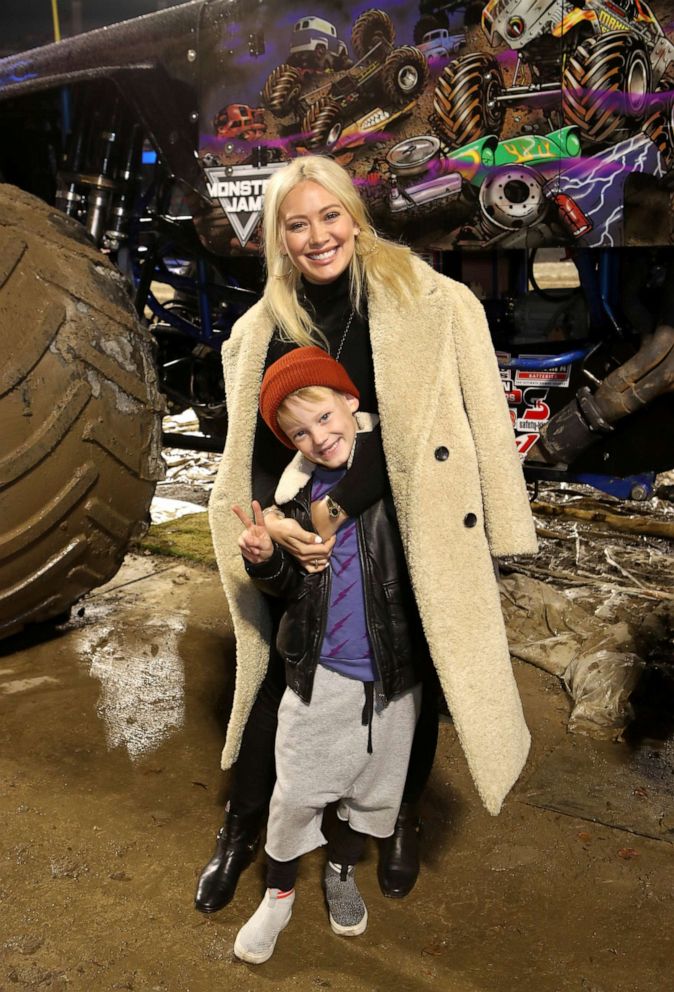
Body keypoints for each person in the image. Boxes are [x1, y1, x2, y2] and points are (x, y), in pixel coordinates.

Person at [201, 154, 538, 916]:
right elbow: (253, 455)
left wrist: (336, 511)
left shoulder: (434, 300)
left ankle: (402, 819)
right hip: (307, 540)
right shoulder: (260, 332)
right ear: (279, 240)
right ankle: (241, 828)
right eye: (297, 224)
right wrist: (280, 528)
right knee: (275, 682)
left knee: (411, 679)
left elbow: (455, 428)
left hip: (411, 529)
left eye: (330, 216)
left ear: (355, 216)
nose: (318, 236)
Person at [230, 348, 426, 963]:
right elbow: (289, 587)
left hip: (395, 680)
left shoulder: (395, 470)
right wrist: (265, 558)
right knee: (296, 795)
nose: (318, 437)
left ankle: (341, 871)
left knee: (371, 796)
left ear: (352, 402)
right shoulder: (294, 502)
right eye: (299, 433)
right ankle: (279, 894)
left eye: (324, 416)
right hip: (323, 678)